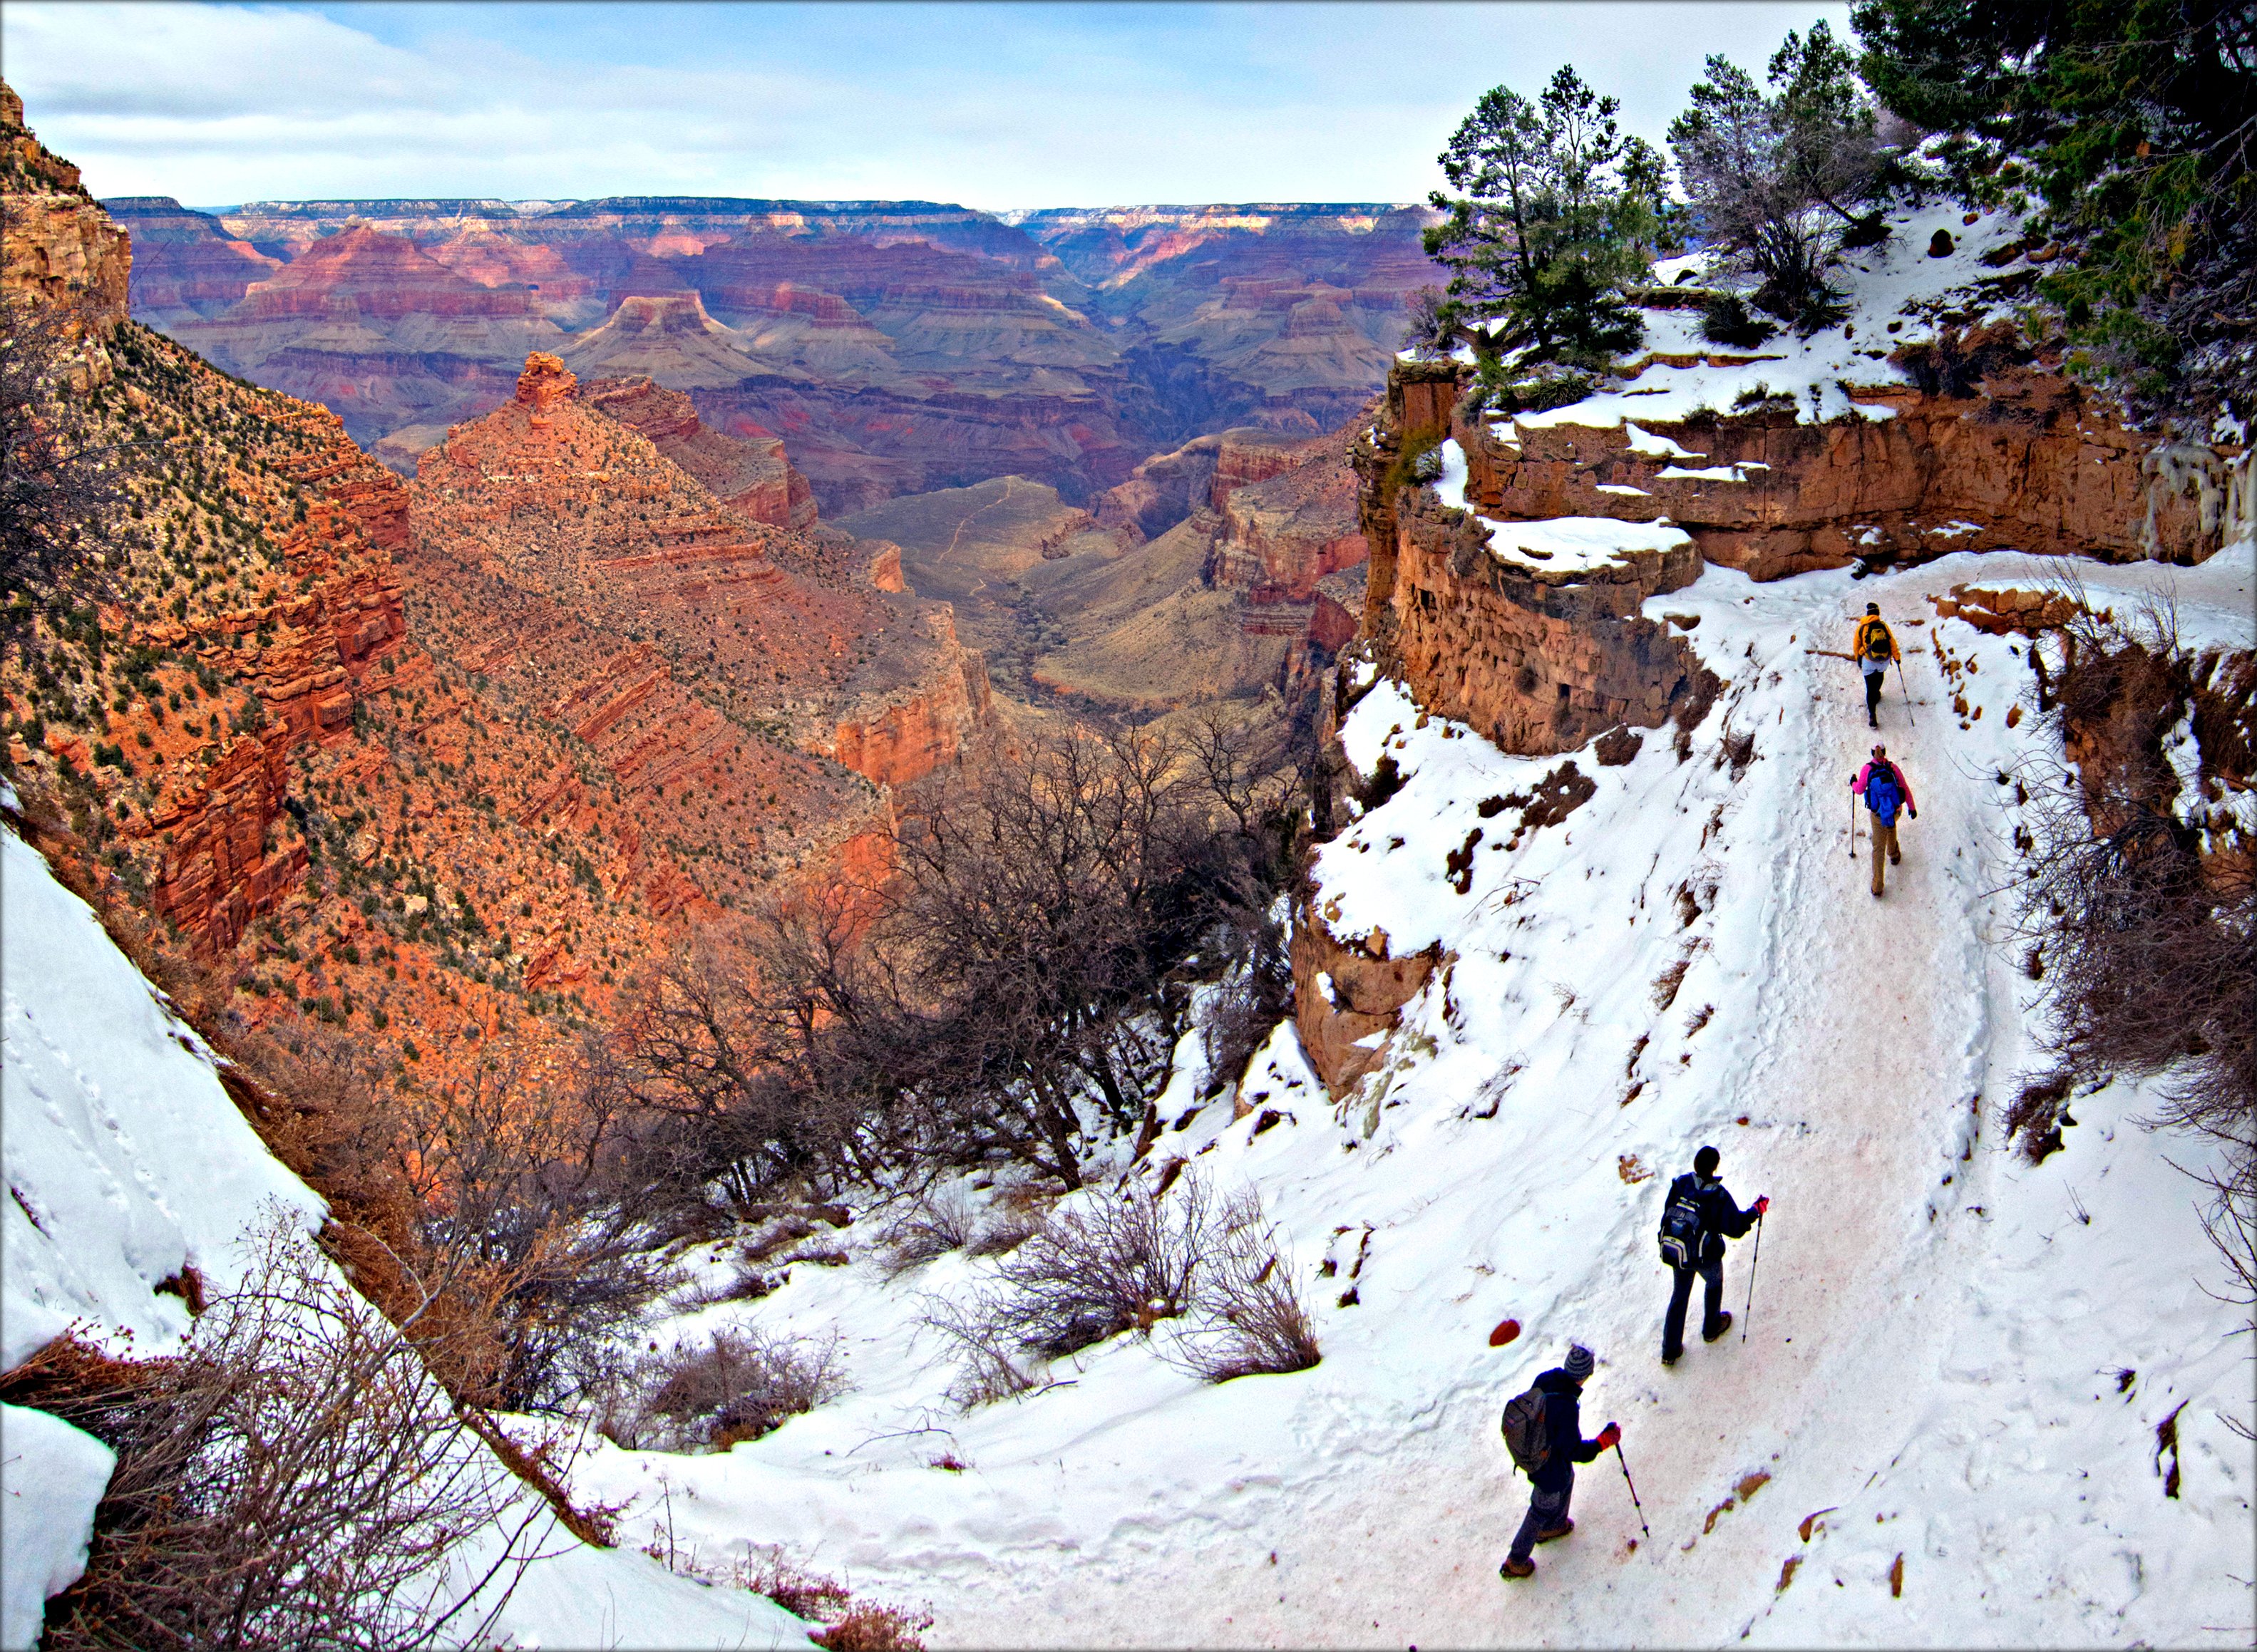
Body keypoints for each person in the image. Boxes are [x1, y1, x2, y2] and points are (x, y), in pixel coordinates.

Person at [1500, 1343, 1617, 1580]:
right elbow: (1574, 1450)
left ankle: (1555, 1525)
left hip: (1544, 1452)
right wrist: (1602, 1443)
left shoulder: (1547, 1379)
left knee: (1568, 1477)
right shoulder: (1565, 1406)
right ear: (1583, 1376)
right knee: (1540, 1508)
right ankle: (1516, 1561)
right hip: (1545, 1465)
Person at [1658, 1147, 1768, 1366]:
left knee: (1679, 1296)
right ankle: (1711, 1328)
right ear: (1715, 1167)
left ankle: (1670, 1351)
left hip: (1679, 1252)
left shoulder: (1681, 1183)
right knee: (1714, 1283)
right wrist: (1755, 1211)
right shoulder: (1717, 1195)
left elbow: (1668, 1209)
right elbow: (1735, 1227)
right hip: (1706, 1255)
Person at [1850, 743, 1918, 898]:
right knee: (1891, 827)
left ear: (1872, 753)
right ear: (1885, 752)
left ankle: (1877, 886)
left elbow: (1859, 790)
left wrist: (1853, 782)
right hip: (1895, 811)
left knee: (1878, 848)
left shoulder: (1867, 769)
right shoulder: (1892, 768)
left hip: (1878, 814)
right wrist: (1912, 808)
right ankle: (1894, 854)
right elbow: (1904, 788)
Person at [1852, 602, 1900, 728]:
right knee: (1879, 680)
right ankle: (1877, 695)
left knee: (1870, 688)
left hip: (1868, 661)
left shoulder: (1862, 627)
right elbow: (1892, 642)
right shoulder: (1883, 626)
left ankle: (1872, 714)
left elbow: (1856, 645)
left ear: (1868, 614)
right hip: (1883, 661)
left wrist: (1858, 659)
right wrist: (1897, 657)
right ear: (1878, 613)